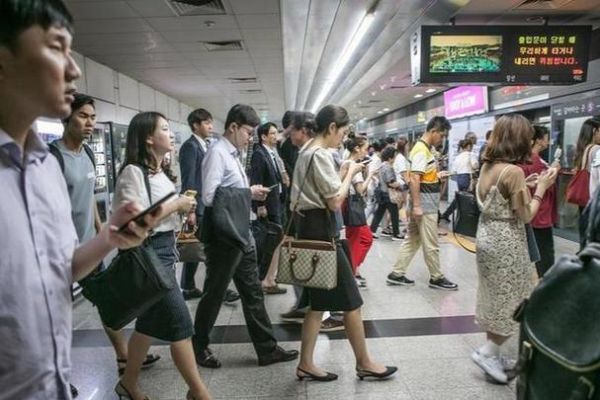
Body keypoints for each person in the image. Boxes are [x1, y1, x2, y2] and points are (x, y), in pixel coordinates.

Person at [0, 1, 161, 398]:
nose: (73, 69)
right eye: (57, 48)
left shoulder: (43, 167)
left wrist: (110, 236)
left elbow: (59, 270)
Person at [50, 94, 162, 396]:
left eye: (93, 117)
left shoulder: (86, 153)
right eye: (84, 116)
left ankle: (124, 356)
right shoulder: (53, 158)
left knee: (107, 300)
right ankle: (59, 375)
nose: (90, 123)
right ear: (67, 117)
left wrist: (104, 235)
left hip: (92, 246)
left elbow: (89, 201)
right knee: (60, 317)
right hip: (66, 252)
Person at [291, 104, 397, 382]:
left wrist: (342, 172)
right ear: (332, 128)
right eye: (344, 132)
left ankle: (305, 363)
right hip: (322, 234)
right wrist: (349, 173)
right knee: (351, 301)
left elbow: (323, 188)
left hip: (309, 229)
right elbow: (335, 200)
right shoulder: (319, 154)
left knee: (317, 305)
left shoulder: (307, 152)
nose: (344, 138)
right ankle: (364, 362)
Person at [192, 104, 299, 369]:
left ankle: (267, 349)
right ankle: (198, 346)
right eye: (248, 132)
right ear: (233, 127)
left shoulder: (233, 154)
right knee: (214, 294)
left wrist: (250, 192)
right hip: (223, 238)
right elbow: (208, 196)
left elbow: (230, 191)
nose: (250, 138)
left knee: (253, 294)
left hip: (241, 234)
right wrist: (247, 193)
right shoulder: (217, 154)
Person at [113, 112, 211, 400]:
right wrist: (175, 205)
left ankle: (128, 384)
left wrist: (184, 210)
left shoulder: (159, 172)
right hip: (148, 254)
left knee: (148, 325)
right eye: (165, 129)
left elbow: (163, 213)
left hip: (166, 250)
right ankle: (199, 392)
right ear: (147, 137)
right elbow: (134, 223)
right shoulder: (133, 172)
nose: (170, 134)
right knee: (181, 325)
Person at [473, 114, 557, 384]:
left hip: (487, 236)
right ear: (520, 139)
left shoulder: (488, 166)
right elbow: (527, 216)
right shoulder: (513, 171)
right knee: (516, 299)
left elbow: (499, 196)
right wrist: (541, 188)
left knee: (495, 296)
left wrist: (528, 185)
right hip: (507, 242)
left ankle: (493, 352)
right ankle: (488, 351)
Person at [386, 117, 458, 290]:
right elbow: (415, 179)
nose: (442, 139)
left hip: (423, 204)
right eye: (441, 135)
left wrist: (437, 176)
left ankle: (397, 273)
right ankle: (436, 277)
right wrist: (417, 206)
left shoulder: (423, 149)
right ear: (433, 131)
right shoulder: (421, 150)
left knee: (412, 239)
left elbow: (421, 176)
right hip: (425, 206)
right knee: (431, 243)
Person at [178, 108, 240, 303]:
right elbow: (189, 179)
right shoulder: (190, 147)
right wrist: (191, 209)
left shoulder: (205, 145)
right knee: (203, 247)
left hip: (207, 205)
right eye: (206, 123)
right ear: (196, 125)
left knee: (198, 246)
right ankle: (211, 289)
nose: (211, 126)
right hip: (199, 206)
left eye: (211, 122)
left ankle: (189, 286)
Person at [279, 111, 317, 324]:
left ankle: (306, 305)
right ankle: (306, 305)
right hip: (301, 212)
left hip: (299, 210)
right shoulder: (303, 151)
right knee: (303, 257)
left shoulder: (303, 151)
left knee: (304, 257)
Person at [250, 122, 287, 294]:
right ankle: (264, 280)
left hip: (277, 201)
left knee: (276, 239)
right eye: (272, 133)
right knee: (269, 241)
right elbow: (256, 180)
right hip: (268, 204)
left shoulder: (272, 153)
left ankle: (269, 278)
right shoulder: (259, 154)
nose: (276, 136)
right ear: (264, 136)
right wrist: (260, 205)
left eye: (276, 133)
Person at [518, 125, 559, 278]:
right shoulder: (535, 162)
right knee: (545, 257)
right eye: (547, 138)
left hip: (531, 213)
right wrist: (553, 172)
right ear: (539, 140)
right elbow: (544, 187)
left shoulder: (523, 161)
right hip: (540, 215)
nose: (548, 141)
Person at [342, 133, 377, 287]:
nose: (366, 152)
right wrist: (370, 175)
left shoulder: (345, 161)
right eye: (365, 148)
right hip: (352, 206)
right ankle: (350, 272)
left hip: (347, 205)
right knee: (363, 239)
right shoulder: (353, 165)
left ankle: (353, 270)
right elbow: (361, 189)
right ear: (356, 148)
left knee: (355, 240)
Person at [440, 139, 479, 222]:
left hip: (460, 179)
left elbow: (454, 171)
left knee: (460, 198)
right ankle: (467, 220)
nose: (472, 148)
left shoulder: (458, 157)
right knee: (469, 199)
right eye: (471, 146)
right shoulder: (471, 154)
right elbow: (475, 165)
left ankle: (446, 214)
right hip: (468, 178)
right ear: (468, 146)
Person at [369, 147, 403, 240]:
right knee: (394, 213)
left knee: (379, 212)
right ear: (390, 158)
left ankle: (371, 231)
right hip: (388, 194)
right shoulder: (388, 167)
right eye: (394, 157)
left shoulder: (381, 165)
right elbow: (390, 182)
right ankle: (396, 234)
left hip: (382, 193)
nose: (395, 159)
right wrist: (401, 185)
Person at [571, 118, 600, 212]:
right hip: (594, 197)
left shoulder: (582, 148)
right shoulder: (596, 149)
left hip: (584, 197)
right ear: (594, 131)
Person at [580, 118, 600, 200]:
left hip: (583, 194)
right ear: (594, 131)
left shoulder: (584, 148)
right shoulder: (596, 149)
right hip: (593, 195)